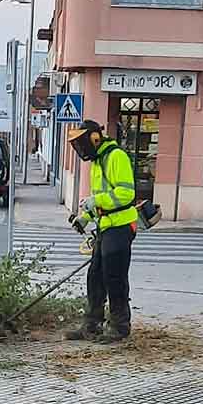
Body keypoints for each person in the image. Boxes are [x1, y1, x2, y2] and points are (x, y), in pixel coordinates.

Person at [64, 120, 138, 344]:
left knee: (114, 276)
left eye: (82, 144)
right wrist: (84, 217)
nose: (81, 150)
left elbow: (126, 194)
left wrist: (96, 200)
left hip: (121, 226)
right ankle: (92, 324)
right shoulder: (97, 162)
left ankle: (119, 326)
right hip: (106, 225)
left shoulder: (116, 156)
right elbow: (99, 203)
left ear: (95, 138)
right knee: (95, 275)